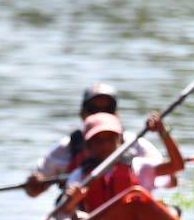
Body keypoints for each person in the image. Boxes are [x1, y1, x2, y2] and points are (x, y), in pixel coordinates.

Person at [23, 83, 173, 197]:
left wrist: (163, 133)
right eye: (93, 110)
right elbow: (33, 190)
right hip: (84, 218)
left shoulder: (136, 145)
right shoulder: (67, 148)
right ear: (82, 113)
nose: (101, 115)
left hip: (132, 211)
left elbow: (171, 180)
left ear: (117, 115)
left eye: (108, 110)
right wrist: (37, 183)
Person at [55, 110, 184, 220]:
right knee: (76, 216)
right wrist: (73, 200)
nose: (105, 145)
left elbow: (177, 165)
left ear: (120, 141)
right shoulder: (80, 176)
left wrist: (163, 132)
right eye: (98, 140)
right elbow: (64, 210)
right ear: (88, 146)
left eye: (110, 139)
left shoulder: (138, 167)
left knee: (171, 211)